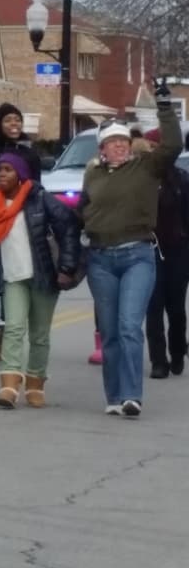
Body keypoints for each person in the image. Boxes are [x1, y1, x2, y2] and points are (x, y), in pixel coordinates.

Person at [79, 87, 182, 417]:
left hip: (137, 254)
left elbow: (172, 145)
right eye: (112, 142)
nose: (119, 146)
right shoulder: (92, 173)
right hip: (100, 259)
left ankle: (132, 396)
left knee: (128, 327)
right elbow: (85, 208)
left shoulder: (145, 167)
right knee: (109, 332)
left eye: (123, 140)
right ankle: (113, 396)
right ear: (103, 149)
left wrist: (165, 108)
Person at [0, 153, 81, 409]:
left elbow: (69, 227)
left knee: (39, 335)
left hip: (43, 275)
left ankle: (35, 383)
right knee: (12, 328)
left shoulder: (40, 198)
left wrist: (66, 266)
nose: (1, 174)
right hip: (12, 276)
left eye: (8, 169)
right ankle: (9, 385)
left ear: (20, 174)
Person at [0, 103, 44, 364]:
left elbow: (37, 186)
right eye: (8, 120)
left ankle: (8, 339)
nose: (14, 124)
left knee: (11, 280)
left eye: (17, 119)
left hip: (19, 221)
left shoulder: (29, 152)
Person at [142, 129, 189, 379]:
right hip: (148, 251)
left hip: (178, 252)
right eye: (147, 146)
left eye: (153, 146)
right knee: (153, 307)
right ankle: (158, 361)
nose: (150, 150)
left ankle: (179, 350)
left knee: (176, 309)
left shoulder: (182, 179)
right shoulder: (143, 178)